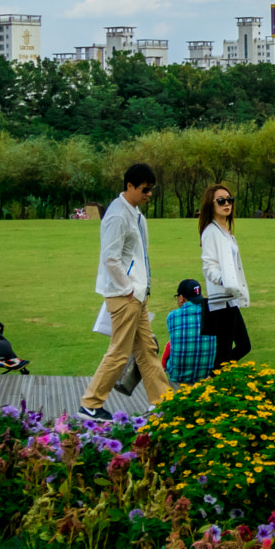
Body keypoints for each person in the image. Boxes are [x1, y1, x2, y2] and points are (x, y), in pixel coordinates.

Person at [80, 164, 171, 420]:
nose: (149, 194)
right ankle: (90, 404)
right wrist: (128, 289)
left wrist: (142, 288)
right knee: (120, 352)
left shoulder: (135, 213)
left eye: (152, 189)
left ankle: (162, 402)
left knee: (147, 350)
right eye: (145, 189)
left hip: (137, 295)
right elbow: (110, 258)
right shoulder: (118, 215)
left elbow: (139, 255)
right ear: (129, 186)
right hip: (125, 295)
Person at [200, 184, 252, 367]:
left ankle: (218, 383)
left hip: (231, 298)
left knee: (241, 346)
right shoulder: (211, 232)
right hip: (221, 298)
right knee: (227, 349)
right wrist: (223, 280)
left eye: (229, 200)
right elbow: (208, 266)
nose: (226, 204)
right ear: (211, 204)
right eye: (221, 201)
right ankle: (214, 385)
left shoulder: (225, 232)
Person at [165, 279, 218, 384]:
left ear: (181, 298)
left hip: (179, 376)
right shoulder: (213, 313)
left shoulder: (172, 316)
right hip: (208, 374)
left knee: (169, 346)